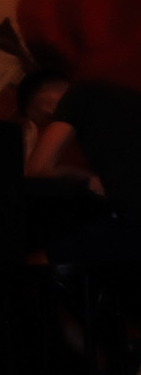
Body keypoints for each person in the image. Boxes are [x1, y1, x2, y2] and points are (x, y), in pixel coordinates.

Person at [20, 68, 141, 260]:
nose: (49, 123)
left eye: (44, 120)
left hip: (134, 218)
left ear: (43, 102)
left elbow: (37, 168)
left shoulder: (77, 95)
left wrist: (88, 177)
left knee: (39, 259)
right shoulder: (119, 97)